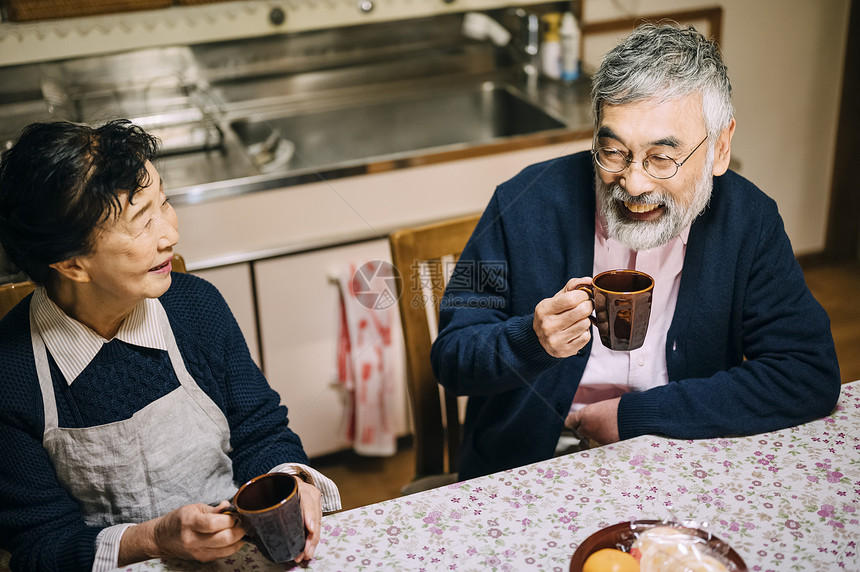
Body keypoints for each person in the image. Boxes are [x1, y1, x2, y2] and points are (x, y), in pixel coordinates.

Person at [430, 23, 841, 480]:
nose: (634, 182)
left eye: (662, 158)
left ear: (720, 148)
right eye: (613, 151)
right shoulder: (522, 200)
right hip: (532, 464)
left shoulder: (749, 221)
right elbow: (452, 357)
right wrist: (532, 339)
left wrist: (633, 416)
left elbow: (806, 372)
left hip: (682, 447)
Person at [0, 120, 341, 572]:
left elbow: (261, 431)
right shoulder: (12, 372)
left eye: (165, 202)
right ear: (71, 263)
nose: (170, 235)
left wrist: (290, 483)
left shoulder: (196, 307)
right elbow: (41, 546)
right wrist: (155, 538)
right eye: (143, 222)